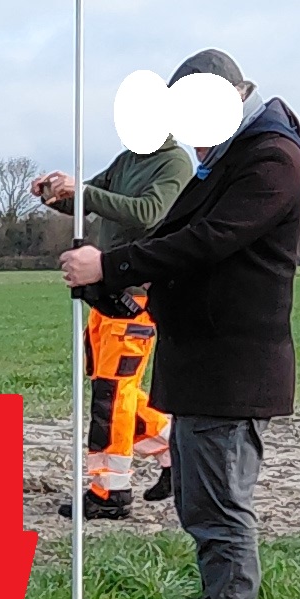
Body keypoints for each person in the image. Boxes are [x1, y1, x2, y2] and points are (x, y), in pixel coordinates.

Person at [36, 48, 300, 599]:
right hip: (200, 363)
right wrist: (112, 278)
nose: (194, 141)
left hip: (230, 368)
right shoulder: (230, 159)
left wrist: (111, 264)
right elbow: (178, 237)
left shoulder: (270, 161)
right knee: (198, 502)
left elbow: (205, 242)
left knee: (220, 510)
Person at [68, 133, 195, 519]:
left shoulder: (174, 163)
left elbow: (147, 213)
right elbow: (90, 197)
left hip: (137, 296)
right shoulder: (127, 161)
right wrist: (59, 194)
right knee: (111, 389)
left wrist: (83, 193)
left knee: (113, 395)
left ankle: (110, 491)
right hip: (107, 294)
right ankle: (175, 448)